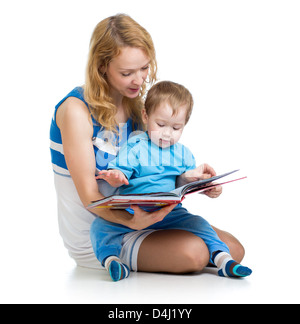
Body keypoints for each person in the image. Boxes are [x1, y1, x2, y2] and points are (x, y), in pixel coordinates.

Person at [50, 13, 245, 275]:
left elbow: (153, 175)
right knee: (196, 253)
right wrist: (131, 220)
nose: (140, 80)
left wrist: (193, 182)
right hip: (102, 230)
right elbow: (90, 198)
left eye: (144, 68)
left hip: (144, 217)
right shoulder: (76, 111)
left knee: (234, 248)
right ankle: (112, 259)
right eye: (127, 72)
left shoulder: (136, 109)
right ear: (101, 67)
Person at [92, 81, 252, 281]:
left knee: (199, 223)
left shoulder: (183, 154)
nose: (167, 133)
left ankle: (224, 260)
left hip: (170, 213)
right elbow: (119, 172)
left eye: (176, 127)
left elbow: (184, 185)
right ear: (145, 116)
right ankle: (112, 261)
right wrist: (116, 176)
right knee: (99, 228)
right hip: (134, 212)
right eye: (161, 125)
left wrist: (205, 187)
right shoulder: (136, 146)